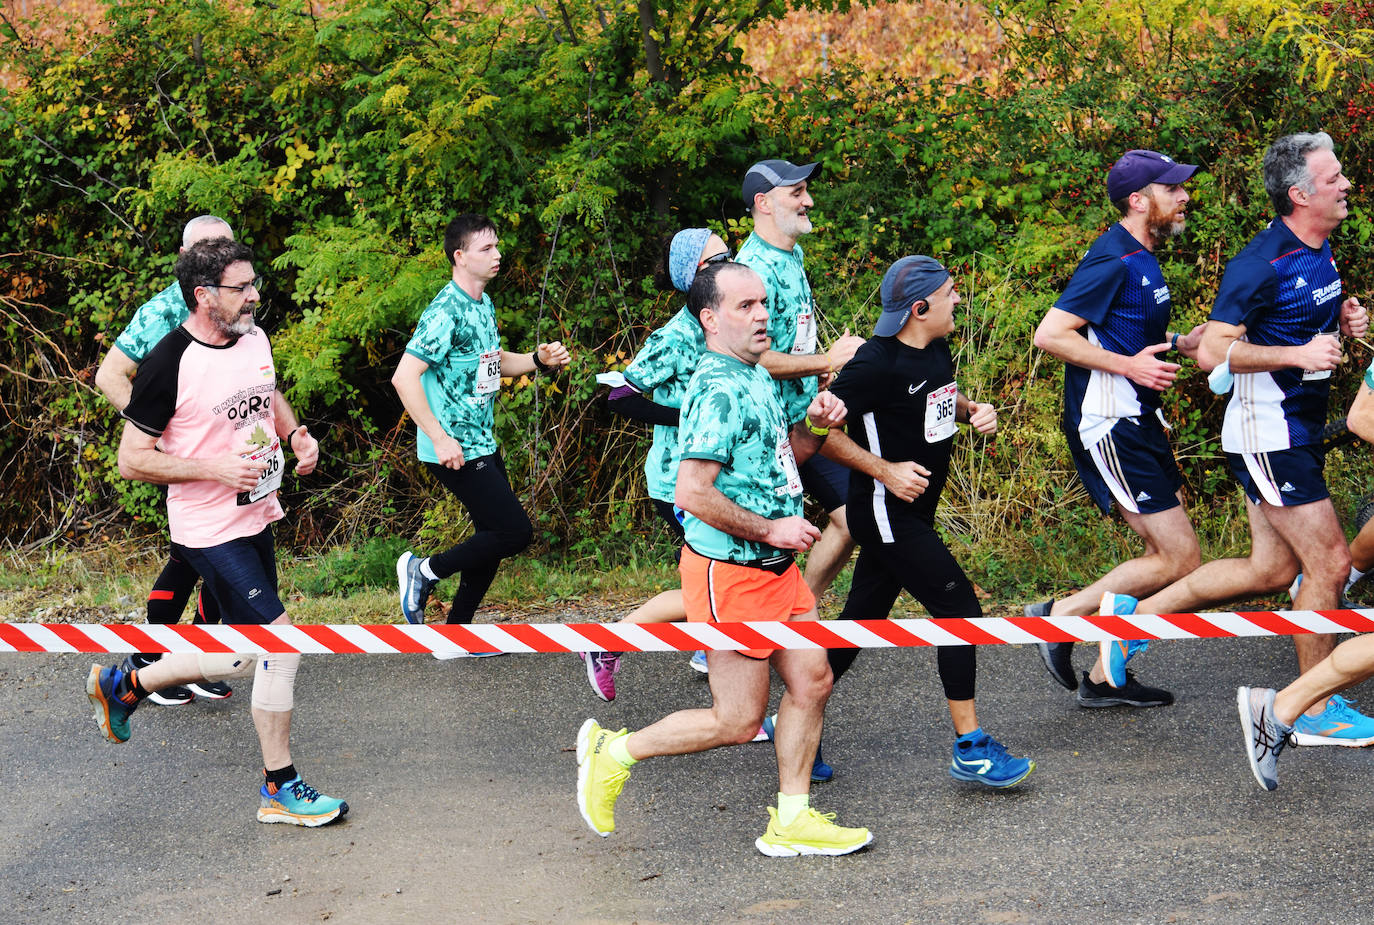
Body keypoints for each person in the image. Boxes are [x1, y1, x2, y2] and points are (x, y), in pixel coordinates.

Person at [576, 261, 871, 856]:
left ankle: (791, 820)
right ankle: (614, 752)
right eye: (746, 307)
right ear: (710, 319)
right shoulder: (715, 388)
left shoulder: (753, 373)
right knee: (737, 721)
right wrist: (772, 529)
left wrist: (813, 427)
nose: (763, 315)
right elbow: (692, 493)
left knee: (812, 681)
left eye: (763, 303)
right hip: (733, 575)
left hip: (777, 571)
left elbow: (779, 458)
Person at [1114, 132, 1373, 746]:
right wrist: (1299, 351)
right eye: (1333, 178)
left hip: (1295, 427)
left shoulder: (1319, 244)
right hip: (1268, 431)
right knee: (1330, 563)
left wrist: (1343, 318)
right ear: (1300, 194)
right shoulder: (1261, 260)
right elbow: (1212, 351)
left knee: (1271, 567)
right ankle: (1313, 712)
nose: (1346, 185)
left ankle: (1133, 622)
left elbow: (1296, 310)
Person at [85, 236, 347, 826]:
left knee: (238, 656)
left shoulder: (253, 337)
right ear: (204, 296)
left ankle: (127, 685)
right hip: (207, 528)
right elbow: (132, 459)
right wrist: (213, 468)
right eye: (242, 288)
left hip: (256, 512)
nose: (254, 296)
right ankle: (279, 787)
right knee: (281, 645)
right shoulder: (168, 363)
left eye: (254, 284)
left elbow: (266, 391)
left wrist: (295, 434)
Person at [822, 255, 1034, 787]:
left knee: (858, 625)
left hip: (914, 512)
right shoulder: (874, 364)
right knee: (959, 609)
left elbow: (940, 397)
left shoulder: (936, 348)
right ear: (920, 308)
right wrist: (884, 470)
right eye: (950, 293)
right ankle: (971, 747)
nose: (958, 299)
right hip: (886, 513)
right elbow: (812, 433)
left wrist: (971, 410)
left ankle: (794, 719)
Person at [1025, 150, 1204, 707]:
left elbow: (1119, 333)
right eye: (1172, 189)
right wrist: (1130, 368)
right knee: (1178, 558)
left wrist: (1179, 344)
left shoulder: (1142, 255)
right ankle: (1059, 616)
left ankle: (1103, 680)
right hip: (1110, 421)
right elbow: (1050, 335)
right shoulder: (1113, 259)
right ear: (1138, 200)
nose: (1184, 197)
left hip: (1139, 417)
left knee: (1166, 552)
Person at [391, 214, 570, 653]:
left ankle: (455, 635)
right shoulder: (445, 310)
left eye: (497, 247)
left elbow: (492, 362)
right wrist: (439, 436)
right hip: (453, 447)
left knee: (492, 536)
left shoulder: (482, 305)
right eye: (486, 249)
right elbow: (404, 377)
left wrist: (537, 360)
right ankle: (424, 571)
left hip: (481, 440)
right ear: (460, 256)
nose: (497, 255)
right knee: (514, 532)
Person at [94, 214, 236, 705]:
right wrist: (158, 435)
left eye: (226, 249)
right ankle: (146, 660)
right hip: (186, 462)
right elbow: (110, 375)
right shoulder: (161, 313)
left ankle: (192, 657)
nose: (219, 261)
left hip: (231, 460)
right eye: (207, 251)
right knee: (189, 559)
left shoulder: (235, 303)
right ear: (185, 260)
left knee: (224, 554)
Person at [583, 228, 729, 699]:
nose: (727, 264)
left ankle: (709, 645)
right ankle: (607, 644)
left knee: (719, 578)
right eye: (715, 260)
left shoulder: (726, 322)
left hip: (719, 476)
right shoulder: (675, 336)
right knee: (713, 582)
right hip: (677, 480)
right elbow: (617, 396)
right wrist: (686, 415)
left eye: (729, 255)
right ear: (693, 276)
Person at [735, 159, 865, 605]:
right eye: (798, 192)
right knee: (760, 545)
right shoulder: (753, 269)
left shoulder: (792, 253)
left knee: (853, 520)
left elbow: (790, 338)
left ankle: (787, 618)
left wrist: (819, 366)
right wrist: (825, 359)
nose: (809, 201)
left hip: (807, 419)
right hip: (771, 429)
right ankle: (727, 638)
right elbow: (751, 355)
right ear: (763, 203)